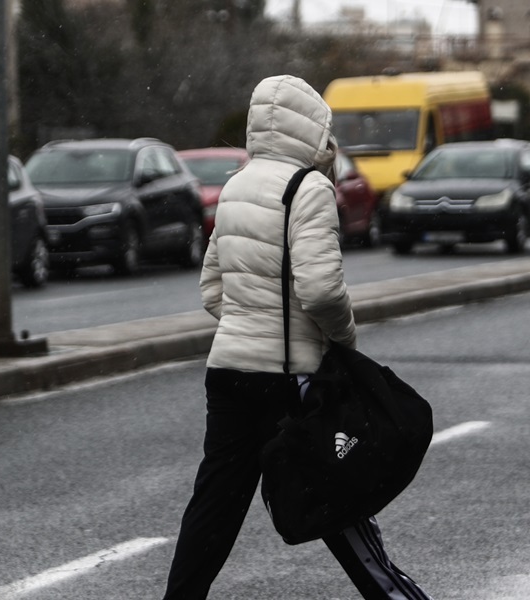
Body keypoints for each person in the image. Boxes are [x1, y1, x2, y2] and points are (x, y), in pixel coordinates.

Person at [162, 74, 432, 600]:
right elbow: (322, 291)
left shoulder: (236, 185)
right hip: (288, 377)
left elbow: (211, 290)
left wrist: (249, 320)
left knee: (215, 504)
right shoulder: (307, 188)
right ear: (311, 128)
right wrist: (343, 341)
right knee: (338, 498)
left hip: (228, 373)